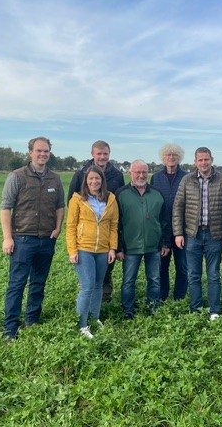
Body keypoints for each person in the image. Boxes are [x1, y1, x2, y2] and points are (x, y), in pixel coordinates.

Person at [0, 136, 65, 340]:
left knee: (38, 283)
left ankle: (32, 320)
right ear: (30, 152)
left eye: (46, 151)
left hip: (46, 239)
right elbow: (5, 208)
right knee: (17, 284)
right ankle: (10, 328)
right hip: (22, 240)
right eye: (39, 151)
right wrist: (7, 238)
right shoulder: (17, 176)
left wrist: (57, 228)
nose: (43, 154)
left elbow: (60, 206)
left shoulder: (54, 178)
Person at [173, 147, 222, 320]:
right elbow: (178, 207)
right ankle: (196, 309)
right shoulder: (187, 180)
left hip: (214, 235)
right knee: (193, 275)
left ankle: (214, 311)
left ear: (212, 160)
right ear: (195, 162)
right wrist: (178, 233)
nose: (203, 163)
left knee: (213, 274)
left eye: (206, 159)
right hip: (192, 235)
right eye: (200, 160)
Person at [67, 140, 124, 303]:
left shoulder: (117, 175)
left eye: (105, 153)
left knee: (106, 270)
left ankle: (103, 302)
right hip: (86, 237)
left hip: (107, 232)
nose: (102, 157)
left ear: (109, 154)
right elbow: (72, 201)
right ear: (92, 154)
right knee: (88, 277)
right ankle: (85, 305)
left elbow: (119, 203)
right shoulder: (80, 174)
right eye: (99, 154)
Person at [66, 166, 119, 339]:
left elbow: (113, 225)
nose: (94, 182)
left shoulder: (110, 199)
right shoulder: (78, 199)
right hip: (84, 249)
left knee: (98, 285)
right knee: (87, 286)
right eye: (91, 179)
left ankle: (95, 318)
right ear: (86, 181)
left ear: (102, 180)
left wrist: (112, 248)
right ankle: (82, 324)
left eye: (97, 179)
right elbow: (71, 226)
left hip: (103, 250)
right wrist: (72, 250)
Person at [116, 160, 170, 319]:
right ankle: (128, 311)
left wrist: (165, 242)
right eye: (137, 172)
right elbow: (115, 223)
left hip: (153, 246)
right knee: (128, 281)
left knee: (154, 279)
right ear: (130, 173)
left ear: (148, 173)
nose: (141, 175)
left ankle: (153, 308)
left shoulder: (157, 193)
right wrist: (118, 247)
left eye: (144, 172)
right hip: (130, 246)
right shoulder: (121, 194)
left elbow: (165, 220)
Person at [149, 143, 188, 301]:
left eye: (174, 155)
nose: (171, 158)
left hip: (182, 229)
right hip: (161, 229)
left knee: (182, 266)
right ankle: (162, 296)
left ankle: (179, 297)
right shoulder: (156, 177)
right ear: (163, 158)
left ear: (179, 158)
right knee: (161, 267)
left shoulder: (186, 177)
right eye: (168, 155)